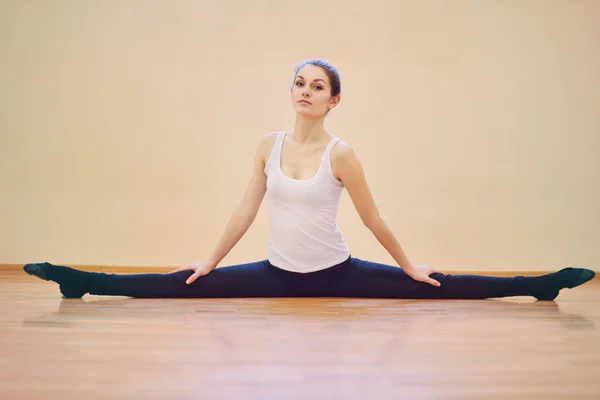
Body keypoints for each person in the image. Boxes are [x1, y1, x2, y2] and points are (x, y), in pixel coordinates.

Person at [23, 59, 595, 300]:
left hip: (339, 272)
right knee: (180, 285)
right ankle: (80, 281)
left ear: (333, 100)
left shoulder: (343, 155)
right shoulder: (267, 145)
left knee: (441, 289)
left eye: (317, 85)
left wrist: (408, 267)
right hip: (275, 274)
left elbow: (373, 219)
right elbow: (245, 210)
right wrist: (211, 261)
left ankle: (537, 284)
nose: (305, 90)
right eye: (299, 81)